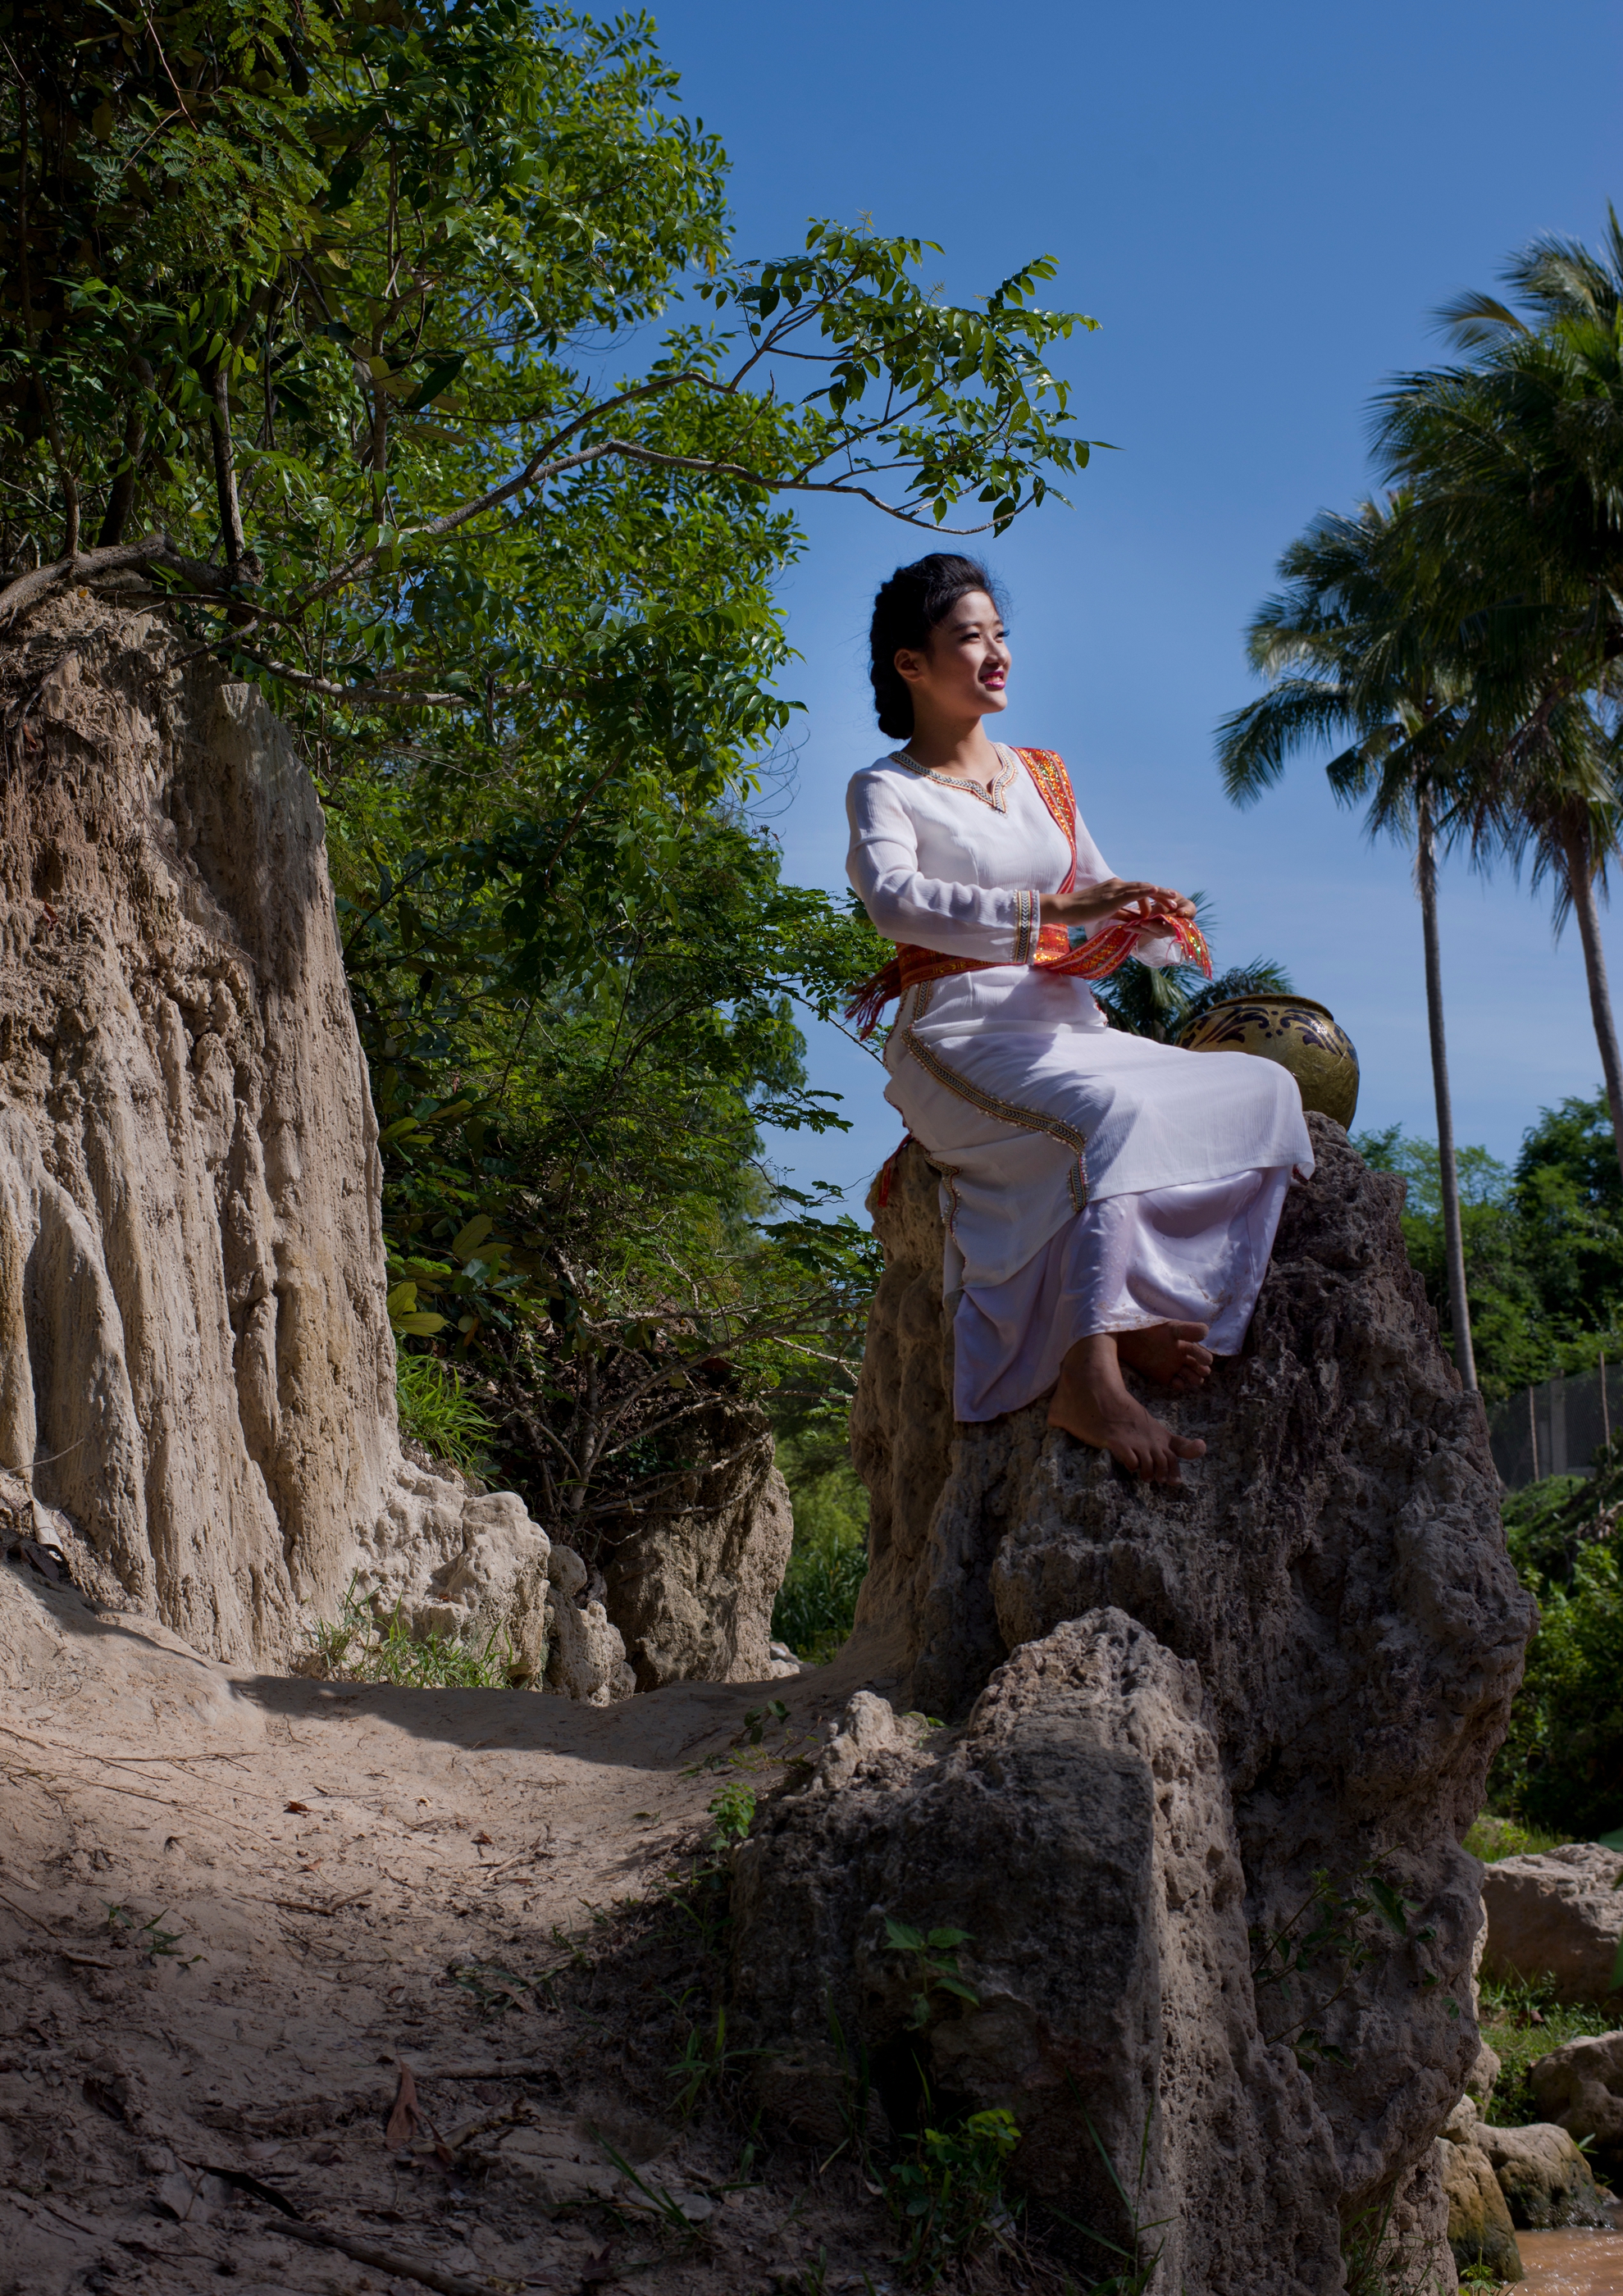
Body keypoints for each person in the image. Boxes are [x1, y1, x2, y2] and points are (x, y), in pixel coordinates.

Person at [845, 554, 1314, 1484]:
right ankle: (1085, 1373)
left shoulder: (1040, 775)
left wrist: (1140, 926)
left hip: (1071, 1025)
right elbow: (893, 903)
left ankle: (1137, 1313)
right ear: (910, 665)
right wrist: (1047, 916)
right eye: (968, 637)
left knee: (1266, 1091)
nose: (995, 654)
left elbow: (1088, 899)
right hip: (962, 1034)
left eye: (1000, 634)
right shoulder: (885, 787)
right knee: (1111, 1124)